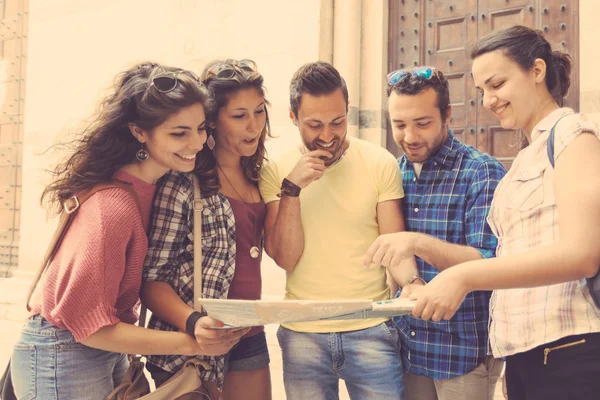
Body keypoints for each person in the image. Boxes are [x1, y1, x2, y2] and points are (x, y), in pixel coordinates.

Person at [407, 25, 600, 400]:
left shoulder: (573, 136)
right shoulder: (527, 154)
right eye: (482, 90)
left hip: (570, 352)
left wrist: (465, 276)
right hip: (528, 355)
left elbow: (582, 254)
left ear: (537, 71)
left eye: (497, 84)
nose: (488, 100)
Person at [10, 62, 215, 400]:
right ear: (139, 132)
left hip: (98, 350)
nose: (197, 142)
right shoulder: (113, 208)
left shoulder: (151, 187)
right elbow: (91, 327)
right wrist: (193, 342)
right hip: (63, 354)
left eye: (201, 128)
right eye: (179, 133)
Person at [259, 61, 415, 400]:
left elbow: (394, 249)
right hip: (302, 334)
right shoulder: (276, 170)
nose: (328, 136)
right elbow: (286, 258)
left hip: (371, 328)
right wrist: (291, 189)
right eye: (314, 124)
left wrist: (413, 284)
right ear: (293, 117)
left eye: (338, 122)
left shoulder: (379, 162)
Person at [363, 66, 506, 399]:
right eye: (399, 125)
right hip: (405, 351)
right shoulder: (391, 172)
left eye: (423, 123)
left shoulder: (481, 171)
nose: (410, 137)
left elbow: (489, 261)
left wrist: (416, 243)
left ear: (447, 115)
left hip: (462, 354)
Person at [141, 59, 272, 400]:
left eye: (259, 112)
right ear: (212, 122)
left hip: (248, 332)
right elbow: (152, 279)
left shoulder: (262, 175)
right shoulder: (184, 183)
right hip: (191, 343)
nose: (253, 126)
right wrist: (194, 323)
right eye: (239, 115)